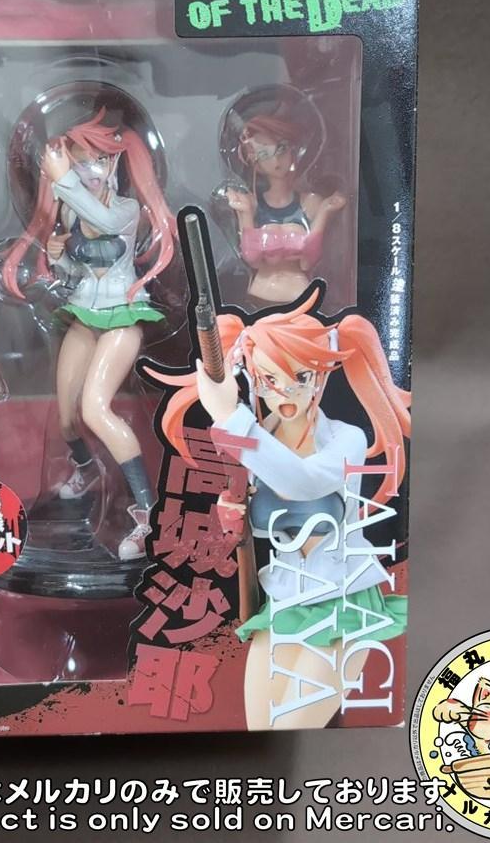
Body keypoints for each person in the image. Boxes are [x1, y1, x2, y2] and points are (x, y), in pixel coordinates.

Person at [149, 294, 410, 728]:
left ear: (320, 374)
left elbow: (302, 481)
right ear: (253, 377)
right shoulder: (253, 442)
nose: (285, 392)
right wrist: (233, 511)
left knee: (292, 730)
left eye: (299, 376)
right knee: (259, 734)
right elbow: (259, 513)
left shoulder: (345, 439)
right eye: (269, 379)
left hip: (344, 600)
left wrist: (231, 418)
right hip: (286, 599)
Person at [1, 107, 177, 560]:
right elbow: (73, 271)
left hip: (122, 317)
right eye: (80, 163)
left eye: (97, 160)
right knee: (66, 416)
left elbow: (102, 217)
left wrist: (62, 178)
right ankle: (87, 469)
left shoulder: (125, 209)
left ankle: (149, 515)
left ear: (114, 162)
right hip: (84, 315)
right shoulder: (72, 211)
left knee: (96, 410)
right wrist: (58, 254)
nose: (89, 171)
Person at [224, 114, 346, 306]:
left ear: (293, 150)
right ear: (255, 162)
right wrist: (245, 213)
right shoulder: (252, 204)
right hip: (259, 292)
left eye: (281, 149)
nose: (276, 160)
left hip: (301, 294)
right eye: (265, 154)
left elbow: (308, 262)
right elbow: (253, 260)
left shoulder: (311, 202)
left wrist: (325, 212)